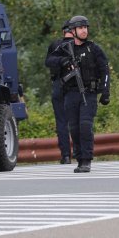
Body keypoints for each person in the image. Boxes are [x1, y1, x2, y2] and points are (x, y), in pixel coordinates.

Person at [48, 15, 110, 173]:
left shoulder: (93, 49)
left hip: (88, 93)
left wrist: (105, 92)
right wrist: (63, 62)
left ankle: (86, 160)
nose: (84, 31)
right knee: (74, 128)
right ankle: (78, 157)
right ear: (73, 31)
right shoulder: (64, 48)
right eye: (80, 28)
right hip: (70, 94)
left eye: (85, 28)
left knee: (85, 126)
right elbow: (49, 60)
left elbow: (105, 70)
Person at [45, 21, 74, 164]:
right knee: (79, 121)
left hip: (58, 86)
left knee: (62, 123)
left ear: (63, 32)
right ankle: (80, 153)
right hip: (75, 87)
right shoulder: (81, 46)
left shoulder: (55, 45)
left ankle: (66, 156)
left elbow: (48, 62)